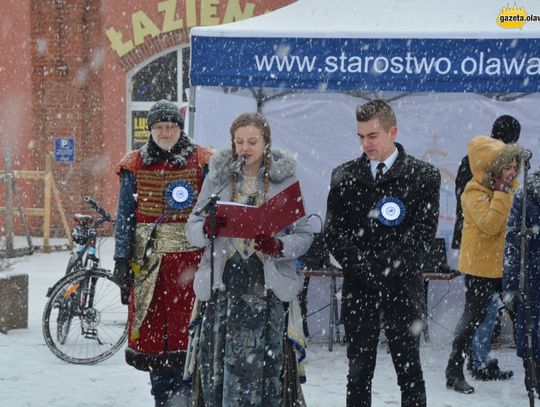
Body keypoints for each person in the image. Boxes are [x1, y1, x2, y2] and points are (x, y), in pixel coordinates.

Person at [185, 112, 313, 406]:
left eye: (252, 141)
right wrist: (206, 229)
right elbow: (191, 229)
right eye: (239, 141)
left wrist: (279, 245)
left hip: (266, 288)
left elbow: (305, 236)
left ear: (266, 142)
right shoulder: (217, 178)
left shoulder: (285, 179)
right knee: (218, 369)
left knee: (266, 369)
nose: (245, 148)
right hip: (223, 287)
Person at [324, 99, 441, 407]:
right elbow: (334, 234)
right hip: (359, 288)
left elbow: (422, 236)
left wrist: (385, 267)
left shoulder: (423, 175)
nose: (365, 144)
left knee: (409, 372)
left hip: (403, 286)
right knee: (358, 372)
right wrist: (364, 268)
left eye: (372, 136)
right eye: (360, 136)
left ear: (393, 132)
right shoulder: (343, 175)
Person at [112, 99, 212, 407]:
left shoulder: (203, 159)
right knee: (155, 341)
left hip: (191, 266)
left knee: (190, 337)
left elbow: (212, 212)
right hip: (148, 266)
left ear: (180, 128)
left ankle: (189, 396)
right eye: (159, 127)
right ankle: (162, 397)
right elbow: (126, 215)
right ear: (150, 129)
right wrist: (120, 261)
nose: (165, 132)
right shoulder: (134, 163)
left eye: (170, 126)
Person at [445, 135, 522, 394]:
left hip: (506, 265)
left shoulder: (514, 187)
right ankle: (453, 371)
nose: (512, 172)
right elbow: (490, 226)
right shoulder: (473, 191)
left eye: (515, 166)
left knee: (523, 316)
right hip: (480, 268)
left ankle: (489, 366)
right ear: (493, 168)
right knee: (473, 319)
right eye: (507, 167)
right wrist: (502, 193)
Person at [503, 161, 540, 399]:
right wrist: (510, 288)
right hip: (532, 279)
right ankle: (534, 378)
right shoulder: (527, 193)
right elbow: (512, 246)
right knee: (532, 334)